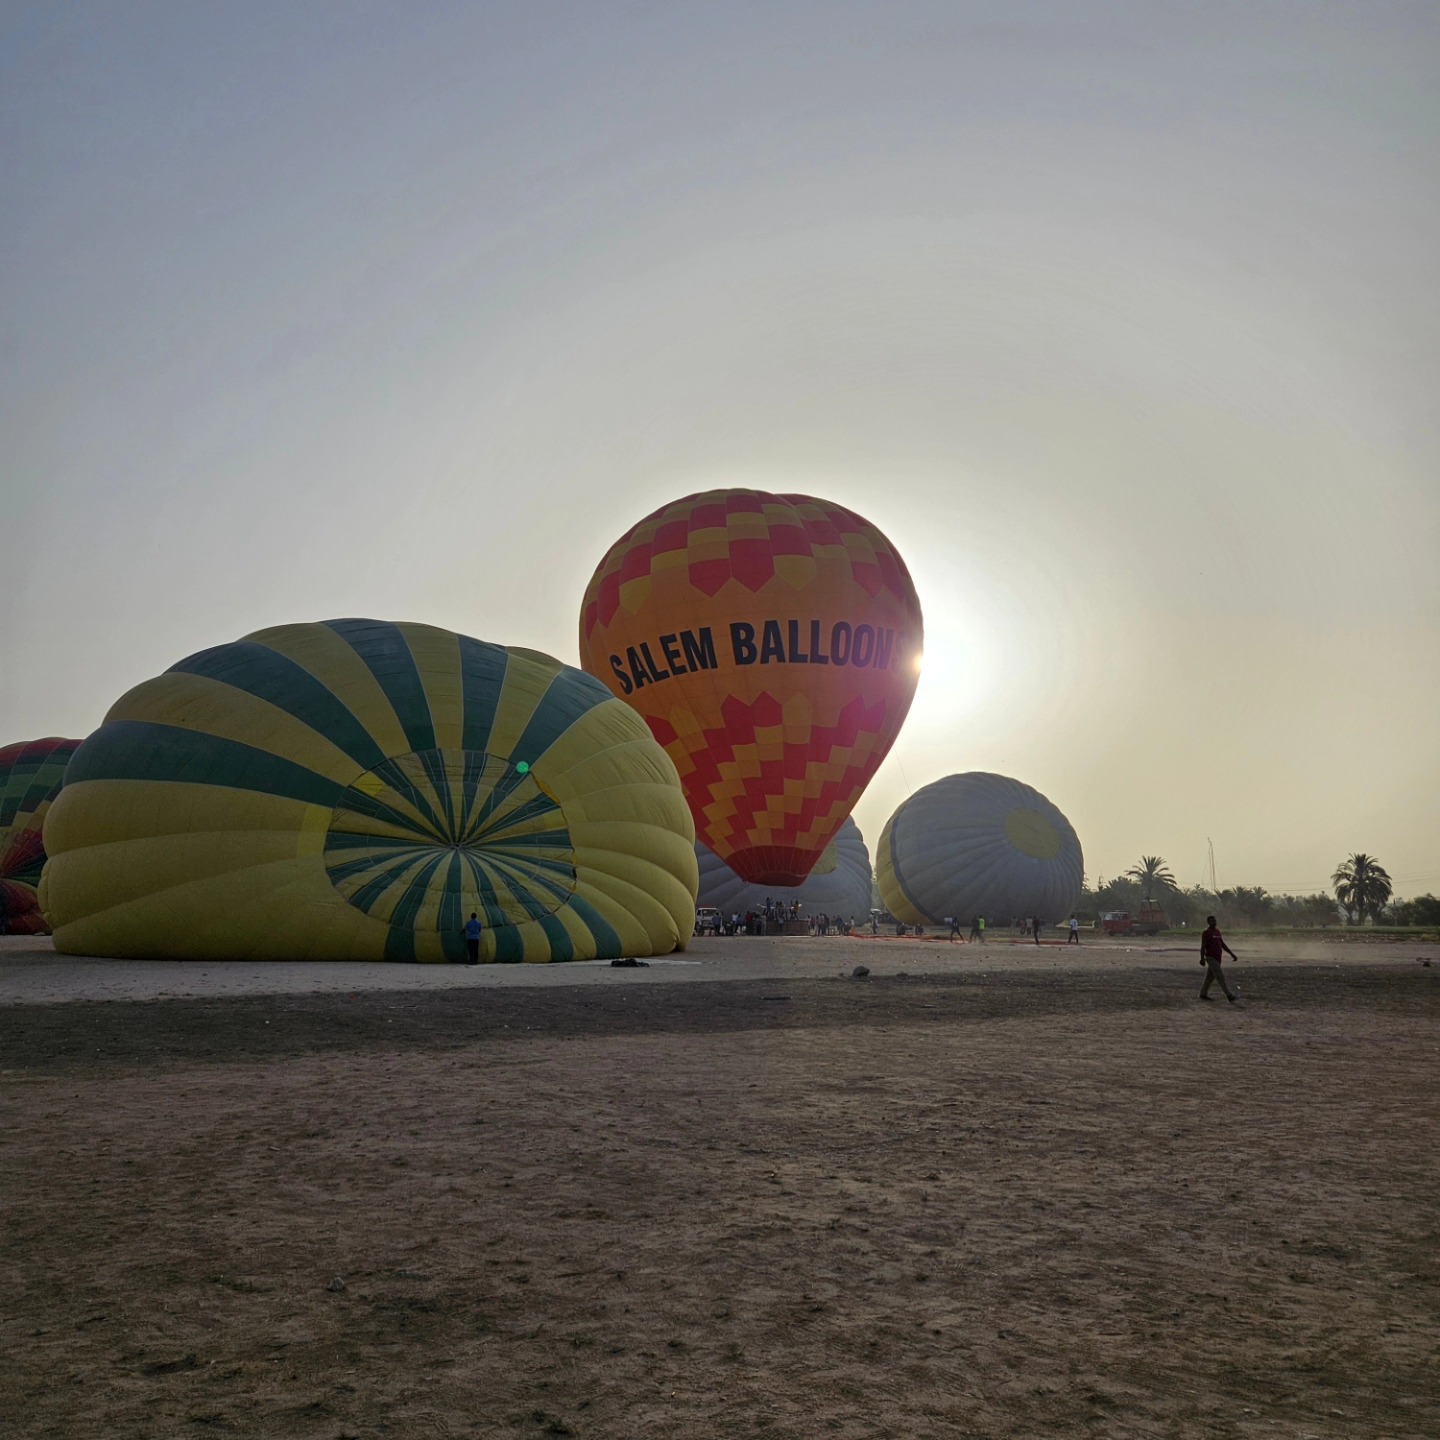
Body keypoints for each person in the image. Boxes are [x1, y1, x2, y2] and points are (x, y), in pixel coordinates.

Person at [1199, 915, 1239, 1002]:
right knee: (1220, 976)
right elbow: (1203, 946)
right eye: (1212, 921)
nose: (1214, 922)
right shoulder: (1206, 932)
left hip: (1218, 958)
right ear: (1208, 922)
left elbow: (1222, 944)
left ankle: (1203, 994)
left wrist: (1232, 954)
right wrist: (1202, 958)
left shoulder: (1217, 932)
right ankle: (1229, 995)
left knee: (1209, 977)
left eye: (1214, 921)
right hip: (1211, 957)